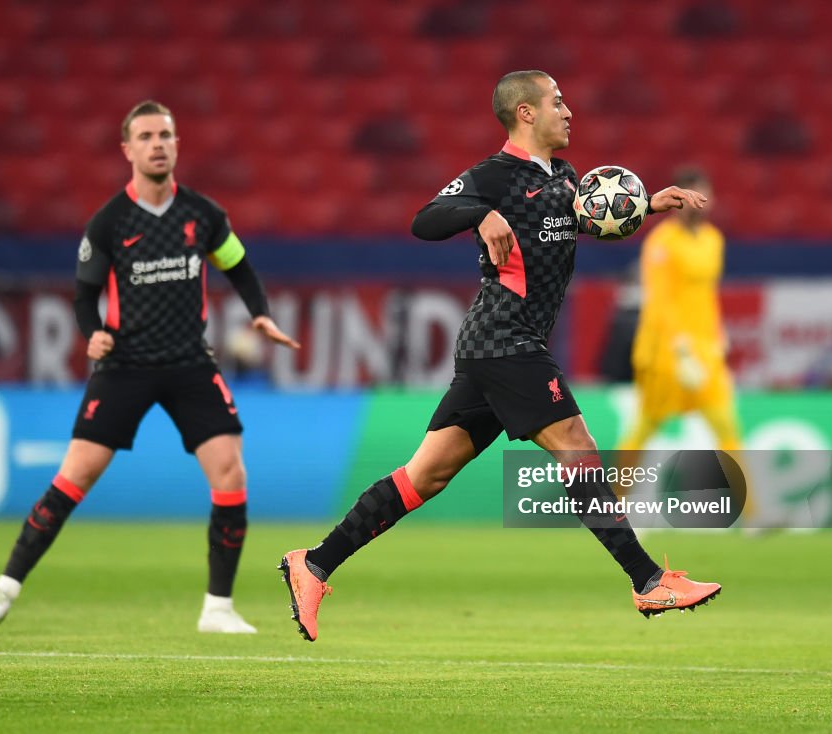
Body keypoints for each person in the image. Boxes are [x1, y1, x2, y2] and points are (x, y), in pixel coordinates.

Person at [278, 71, 721, 642]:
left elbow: (578, 223)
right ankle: (648, 578)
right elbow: (424, 220)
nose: (569, 110)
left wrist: (647, 206)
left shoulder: (561, 176)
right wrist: (478, 214)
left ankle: (312, 564)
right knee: (578, 449)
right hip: (506, 340)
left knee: (426, 475)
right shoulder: (493, 176)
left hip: (494, 352)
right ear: (526, 114)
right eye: (557, 101)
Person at [0, 101, 299, 634]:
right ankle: (5, 588)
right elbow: (83, 297)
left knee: (231, 473)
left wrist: (259, 315)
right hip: (125, 365)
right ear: (128, 149)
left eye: (165, 135)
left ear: (176, 144)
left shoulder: (203, 215)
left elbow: (239, 267)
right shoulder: (109, 223)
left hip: (190, 361)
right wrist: (92, 333)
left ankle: (218, 608)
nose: (157, 144)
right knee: (75, 476)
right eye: (145, 136)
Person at [617, 167, 744, 454]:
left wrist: (718, 334)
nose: (697, 201)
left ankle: (750, 502)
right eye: (689, 195)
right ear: (677, 200)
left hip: (706, 353)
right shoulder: (661, 243)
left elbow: (706, 294)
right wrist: (682, 350)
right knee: (644, 430)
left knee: (727, 428)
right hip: (666, 354)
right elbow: (660, 300)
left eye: (703, 194)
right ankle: (612, 498)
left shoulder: (714, 240)